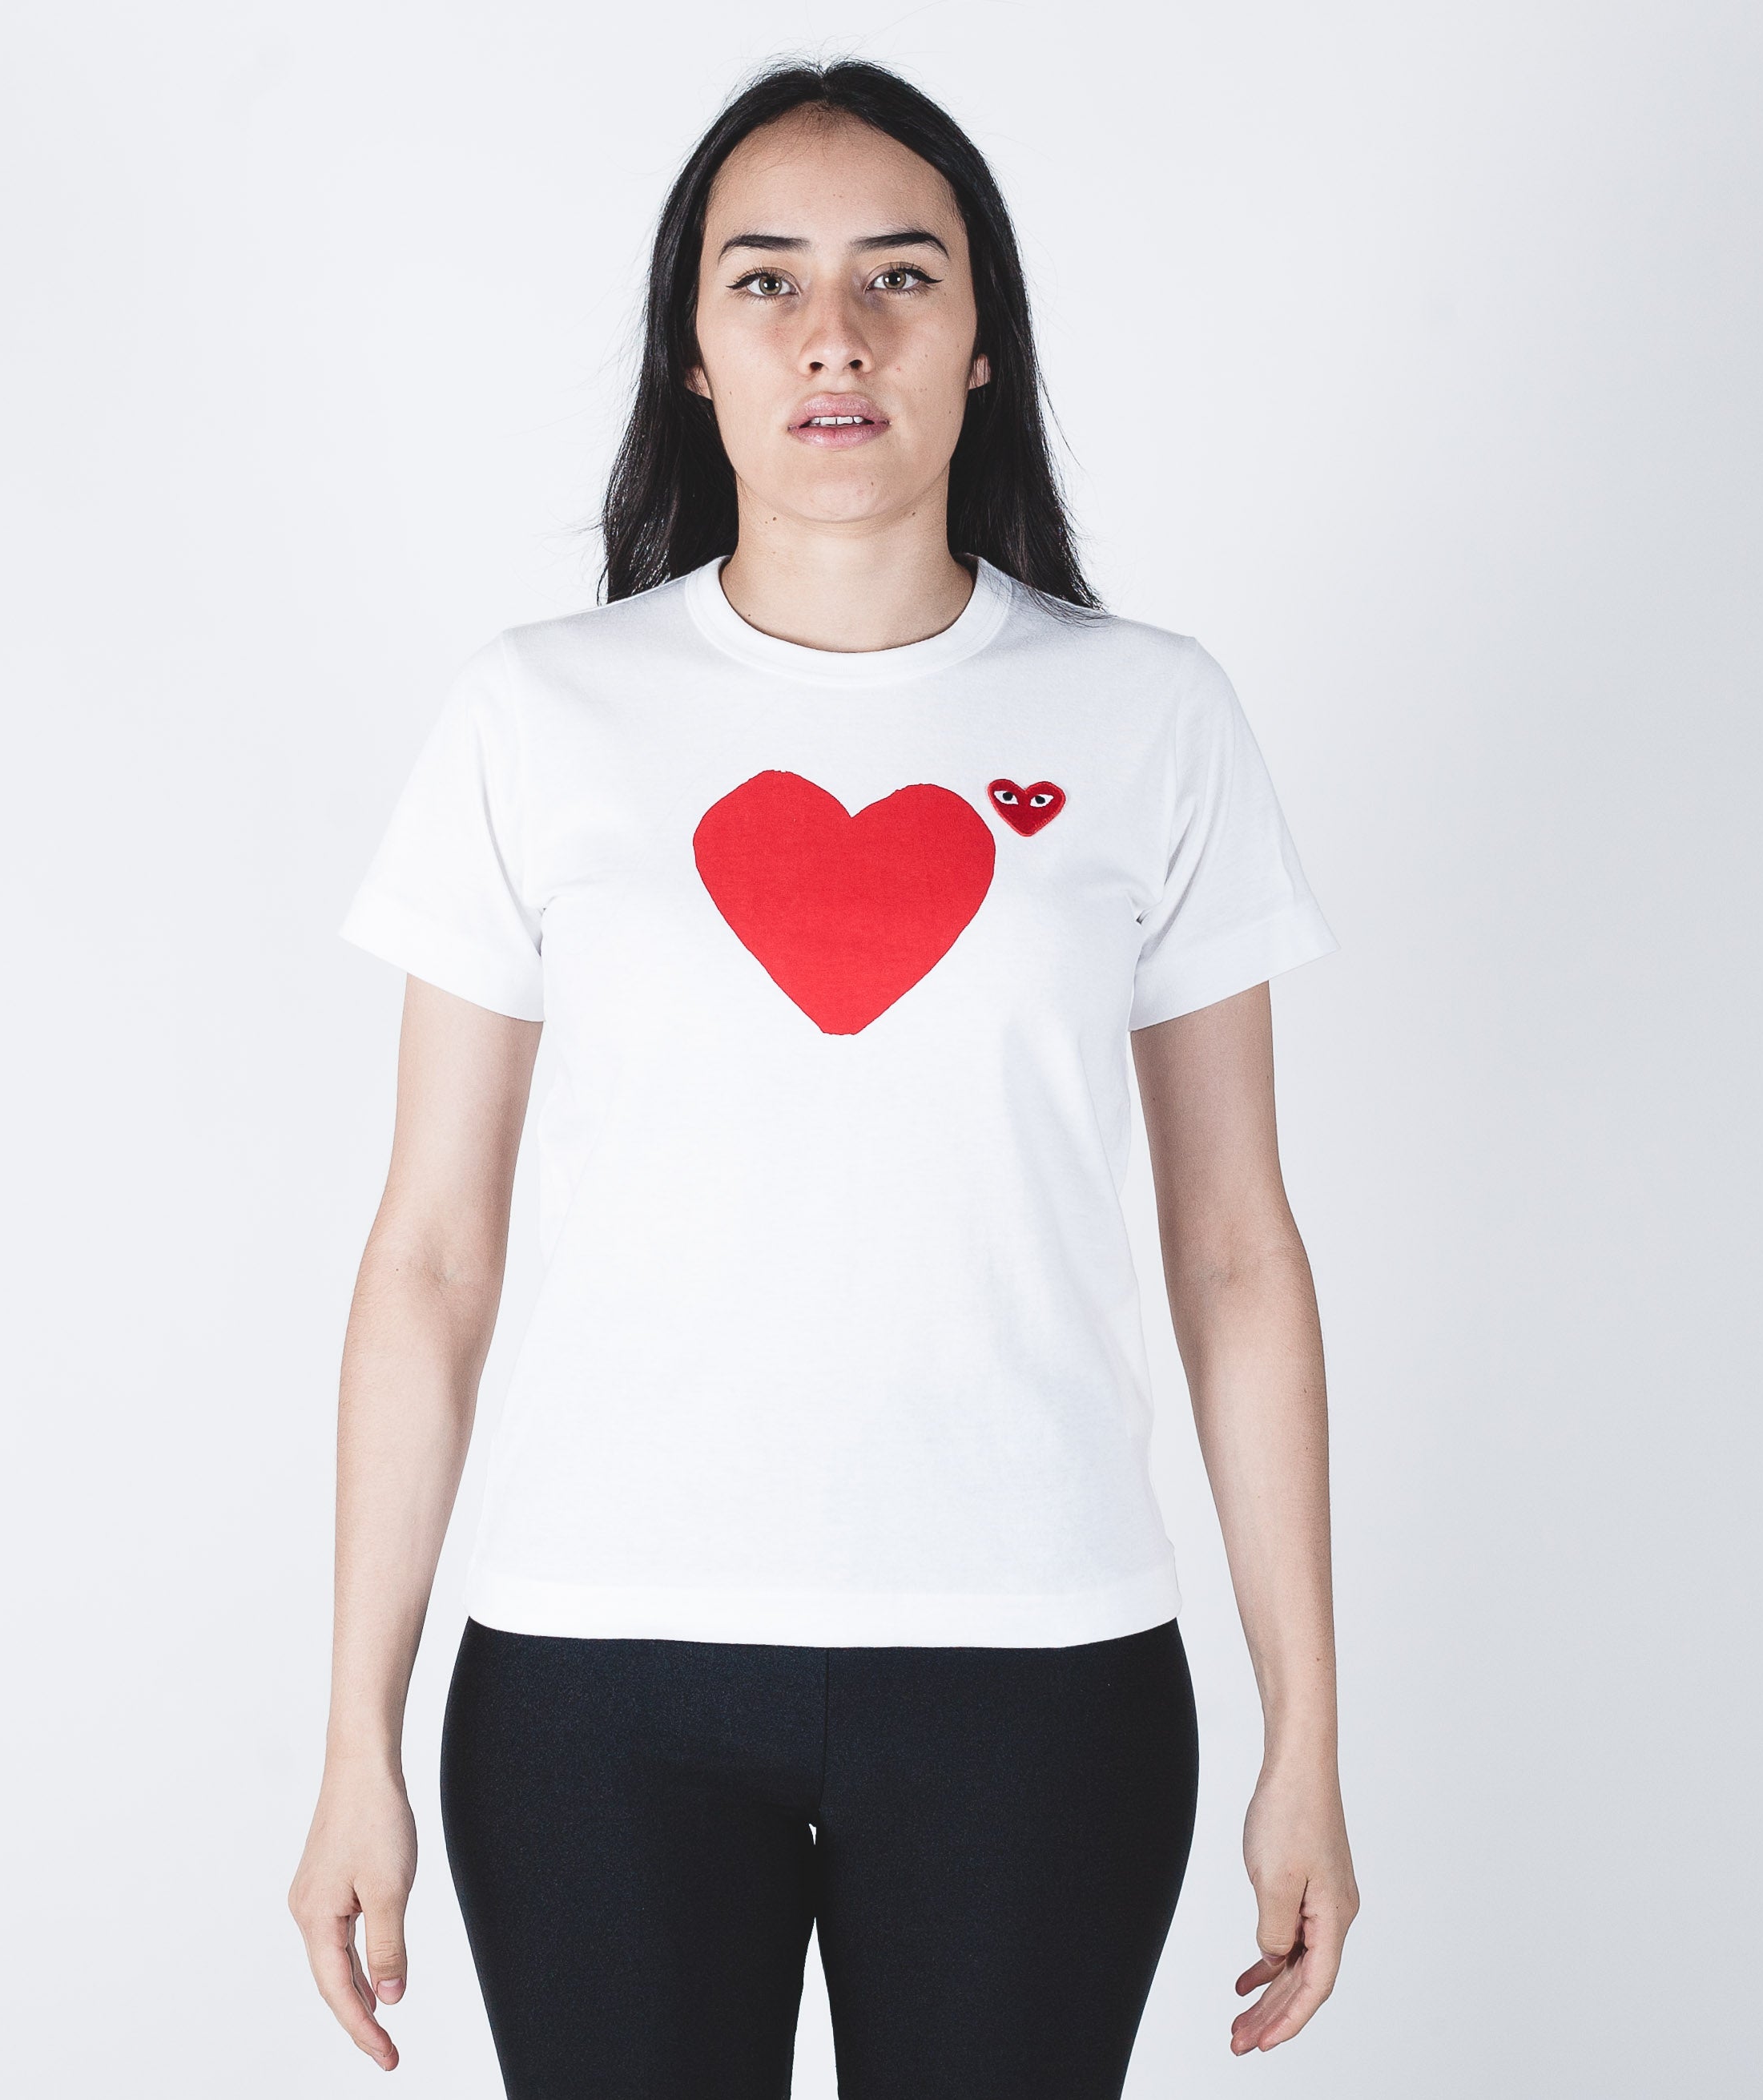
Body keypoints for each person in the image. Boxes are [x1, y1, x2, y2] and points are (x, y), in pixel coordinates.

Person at [290, 58, 1358, 2097]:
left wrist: (1306, 1731)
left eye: (901, 275)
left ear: (982, 338)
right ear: (693, 351)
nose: (836, 335)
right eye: (767, 280)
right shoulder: (539, 715)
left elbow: (1237, 1250)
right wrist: (357, 1733)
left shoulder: (1148, 719)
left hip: (1042, 1677)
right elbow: (429, 1254)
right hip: (594, 1682)